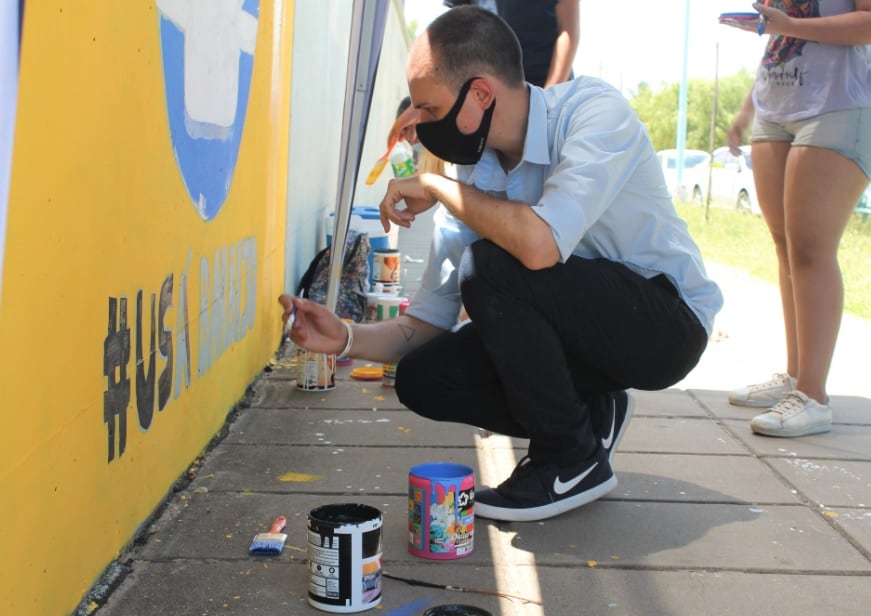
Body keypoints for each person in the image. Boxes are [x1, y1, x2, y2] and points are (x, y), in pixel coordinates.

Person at [281, 6, 722, 522]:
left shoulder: (592, 113)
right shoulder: (476, 171)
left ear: (481, 94)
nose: (419, 127)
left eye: (427, 109)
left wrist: (438, 186)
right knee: (423, 377)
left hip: (664, 327)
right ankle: (589, 411)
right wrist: (347, 339)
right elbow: (427, 321)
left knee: (492, 263)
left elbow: (539, 246)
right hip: (585, 335)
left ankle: (569, 460)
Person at [725, 1, 871, 438]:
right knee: (784, 243)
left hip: (838, 106)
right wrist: (746, 110)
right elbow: (782, 37)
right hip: (776, 103)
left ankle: (813, 396)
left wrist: (790, 23)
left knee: (810, 249)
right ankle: (793, 378)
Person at [442, 0, 580, 88]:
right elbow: (459, 31)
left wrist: (550, 96)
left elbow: (568, 33)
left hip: (545, 85)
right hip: (488, 93)